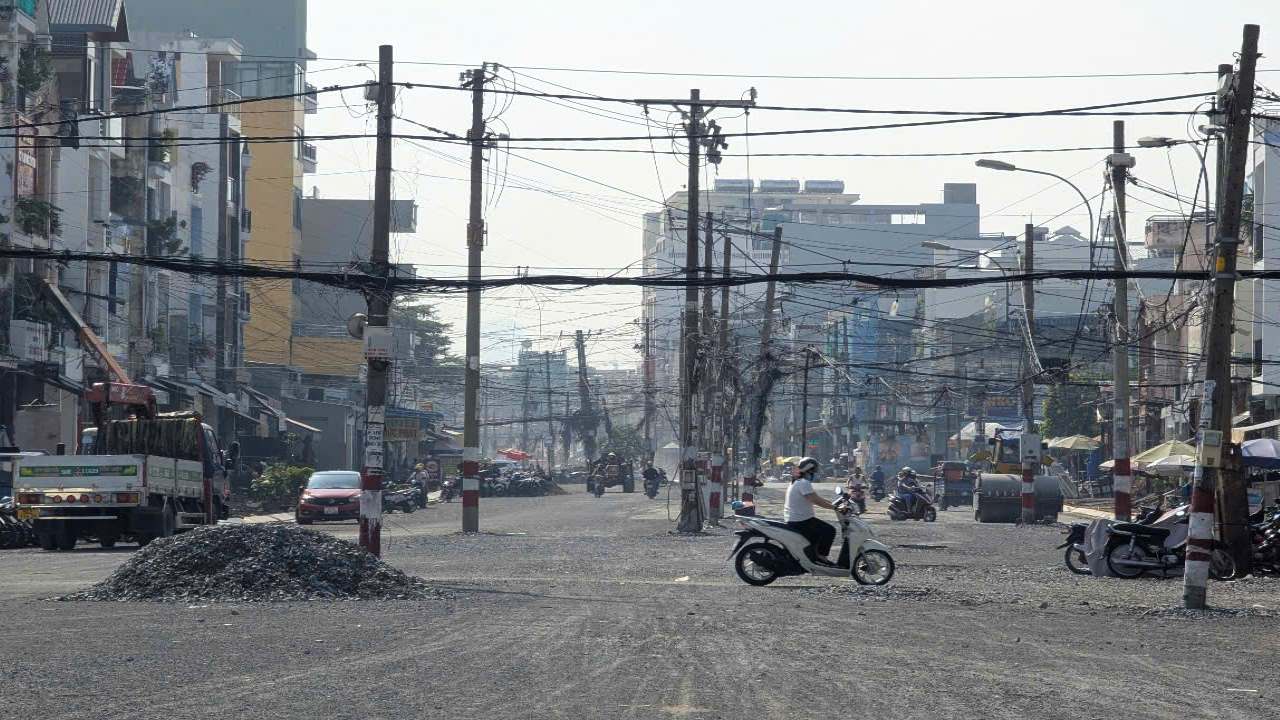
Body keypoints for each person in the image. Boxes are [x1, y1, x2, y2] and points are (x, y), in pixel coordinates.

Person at [784, 456, 838, 565]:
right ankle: (821, 557)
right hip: (801, 521)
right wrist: (835, 508)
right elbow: (815, 500)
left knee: (817, 534)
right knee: (830, 530)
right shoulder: (803, 483)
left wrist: (833, 503)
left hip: (798, 519)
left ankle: (812, 557)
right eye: (815, 471)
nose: (815, 473)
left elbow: (816, 497)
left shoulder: (797, 482)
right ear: (809, 470)